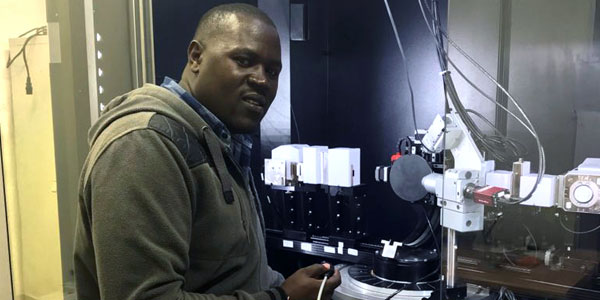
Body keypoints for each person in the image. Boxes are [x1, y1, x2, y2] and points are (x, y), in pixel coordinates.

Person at [73, 3, 341, 300]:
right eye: (243, 60)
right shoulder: (143, 145)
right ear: (196, 56)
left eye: (272, 70)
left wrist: (290, 285)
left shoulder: (219, 142)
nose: (262, 80)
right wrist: (282, 297)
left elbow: (233, 272)